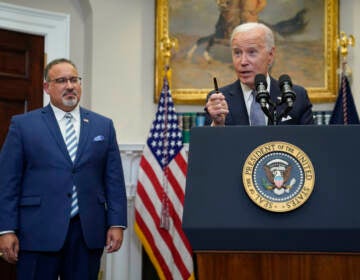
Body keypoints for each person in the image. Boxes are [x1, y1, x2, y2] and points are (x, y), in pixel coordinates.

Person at [0, 58, 127, 279]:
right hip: (37, 231)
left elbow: (113, 179)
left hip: (87, 231)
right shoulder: (23, 125)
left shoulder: (102, 125)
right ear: (46, 87)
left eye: (74, 79)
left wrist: (116, 223)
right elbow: (7, 181)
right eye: (61, 80)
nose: (69, 86)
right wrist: (6, 229)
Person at [204, 22, 314, 126]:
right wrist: (218, 124)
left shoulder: (296, 96)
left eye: (252, 52)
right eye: (237, 53)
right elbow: (208, 144)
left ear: (270, 55)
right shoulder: (219, 99)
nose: (243, 62)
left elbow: (310, 142)